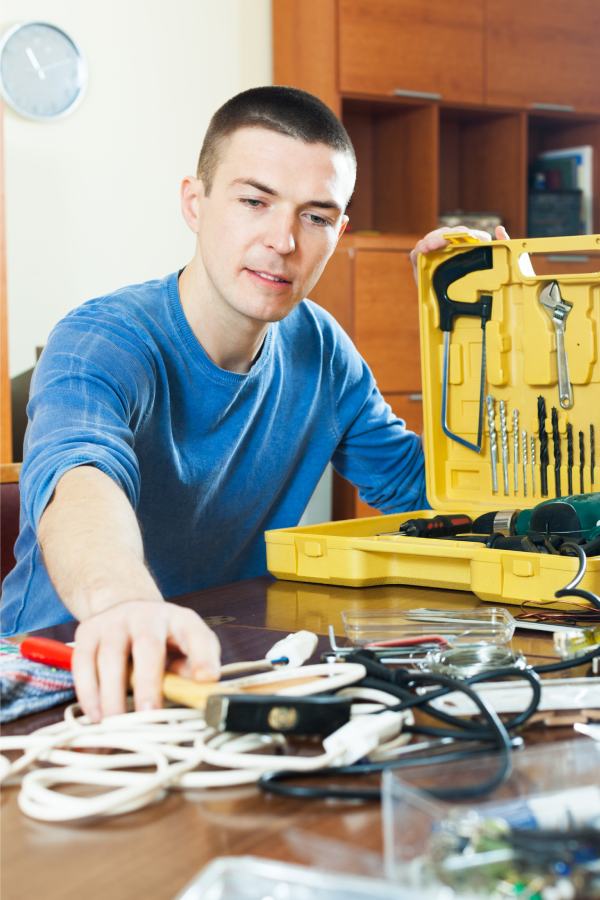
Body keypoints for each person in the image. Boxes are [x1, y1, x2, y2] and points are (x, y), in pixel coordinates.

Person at [1, 86, 507, 721]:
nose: (284, 241)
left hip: (225, 664)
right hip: (63, 673)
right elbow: (79, 482)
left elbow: (432, 494)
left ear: (338, 230)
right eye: (254, 201)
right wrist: (126, 606)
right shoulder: (100, 340)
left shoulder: (321, 348)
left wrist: (475, 338)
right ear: (195, 201)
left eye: (316, 216)